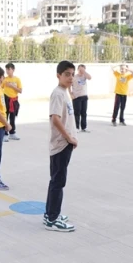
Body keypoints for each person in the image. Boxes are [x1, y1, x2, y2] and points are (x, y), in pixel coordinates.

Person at [44, 60, 79, 232]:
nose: (70, 77)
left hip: (64, 143)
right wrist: (69, 138)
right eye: (66, 74)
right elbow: (55, 119)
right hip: (61, 144)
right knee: (58, 181)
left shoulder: (65, 92)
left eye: (72, 74)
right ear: (58, 75)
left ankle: (50, 212)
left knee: (55, 180)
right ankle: (53, 219)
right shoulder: (58, 93)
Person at [3, 63, 22, 141]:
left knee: (12, 117)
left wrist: (12, 86)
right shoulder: (4, 79)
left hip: (14, 100)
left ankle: (12, 133)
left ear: (13, 70)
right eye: (6, 69)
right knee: (5, 116)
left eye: (9, 69)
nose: (7, 71)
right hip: (6, 98)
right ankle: (4, 133)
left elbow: (20, 90)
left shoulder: (17, 79)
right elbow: (0, 89)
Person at [72, 64, 91, 132]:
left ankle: (84, 127)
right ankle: (76, 127)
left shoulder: (85, 76)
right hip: (77, 97)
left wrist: (84, 72)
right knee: (77, 113)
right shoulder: (74, 77)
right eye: (80, 69)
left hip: (84, 96)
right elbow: (68, 85)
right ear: (77, 70)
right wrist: (71, 94)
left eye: (82, 69)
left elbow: (90, 77)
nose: (81, 71)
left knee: (84, 112)